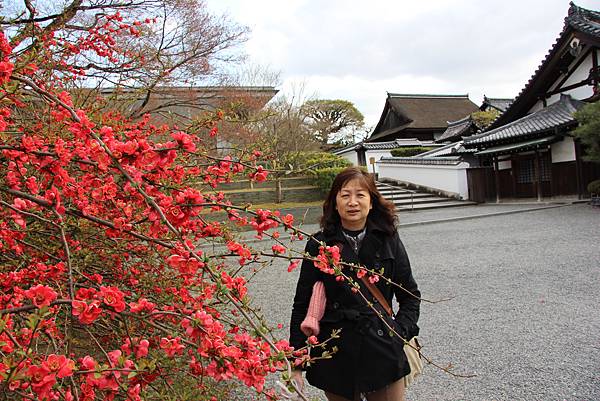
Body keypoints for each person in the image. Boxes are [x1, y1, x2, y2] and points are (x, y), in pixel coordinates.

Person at [289, 167, 420, 401]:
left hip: (382, 348)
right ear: (334, 202)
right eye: (345, 195)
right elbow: (302, 303)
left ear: (371, 203)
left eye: (360, 195)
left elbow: (409, 295)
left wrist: (398, 333)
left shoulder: (388, 238)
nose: (353, 202)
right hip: (335, 349)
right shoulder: (319, 244)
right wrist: (297, 361)